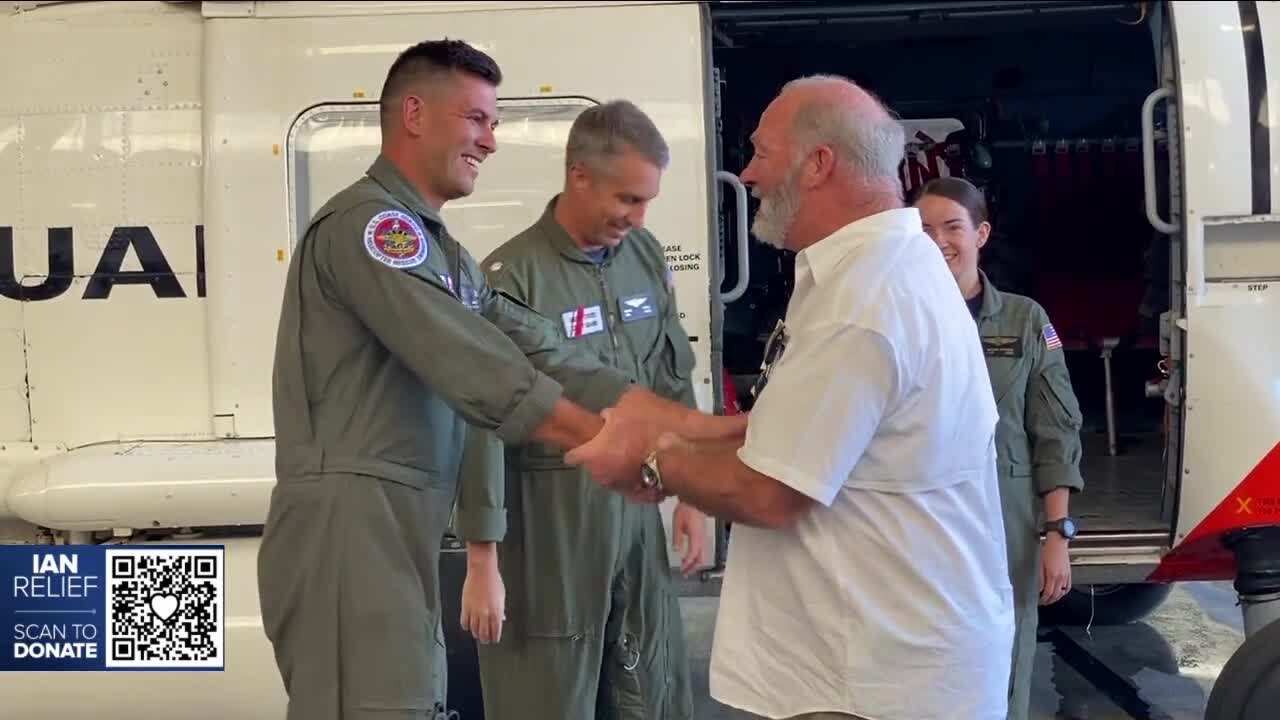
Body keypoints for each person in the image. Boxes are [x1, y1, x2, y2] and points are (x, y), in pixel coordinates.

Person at [260, 40, 726, 720]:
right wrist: (616, 444)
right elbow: (479, 369)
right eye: (477, 119)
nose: (492, 141)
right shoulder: (374, 229)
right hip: (353, 525)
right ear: (414, 113)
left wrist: (693, 430)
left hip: (397, 521)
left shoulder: (443, 253)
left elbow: (539, 345)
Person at [568, 74, 1016, 720]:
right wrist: (678, 423)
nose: (746, 173)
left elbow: (771, 493)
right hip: (882, 672)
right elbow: (808, 428)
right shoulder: (874, 272)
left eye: (761, 152)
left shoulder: (864, 302)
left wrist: (649, 460)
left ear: (819, 164)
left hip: (873, 688)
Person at [453, 99, 707, 720]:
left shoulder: (643, 258)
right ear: (579, 177)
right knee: (551, 691)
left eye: (646, 201)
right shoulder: (514, 278)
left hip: (636, 509)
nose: (638, 216)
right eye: (626, 199)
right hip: (551, 521)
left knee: (650, 680)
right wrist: (482, 555)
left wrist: (695, 493)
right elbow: (482, 420)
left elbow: (669, 370)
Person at [914, 176, 1084, 720]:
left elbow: (1055, 428)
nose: (939, 241)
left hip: (1006, 515)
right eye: (923, 230)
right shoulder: (899, 318)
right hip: (922, 511)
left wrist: (1057, 533)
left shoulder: (1024, 320)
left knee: (1008, 649)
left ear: (981, 233)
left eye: (952, 227)